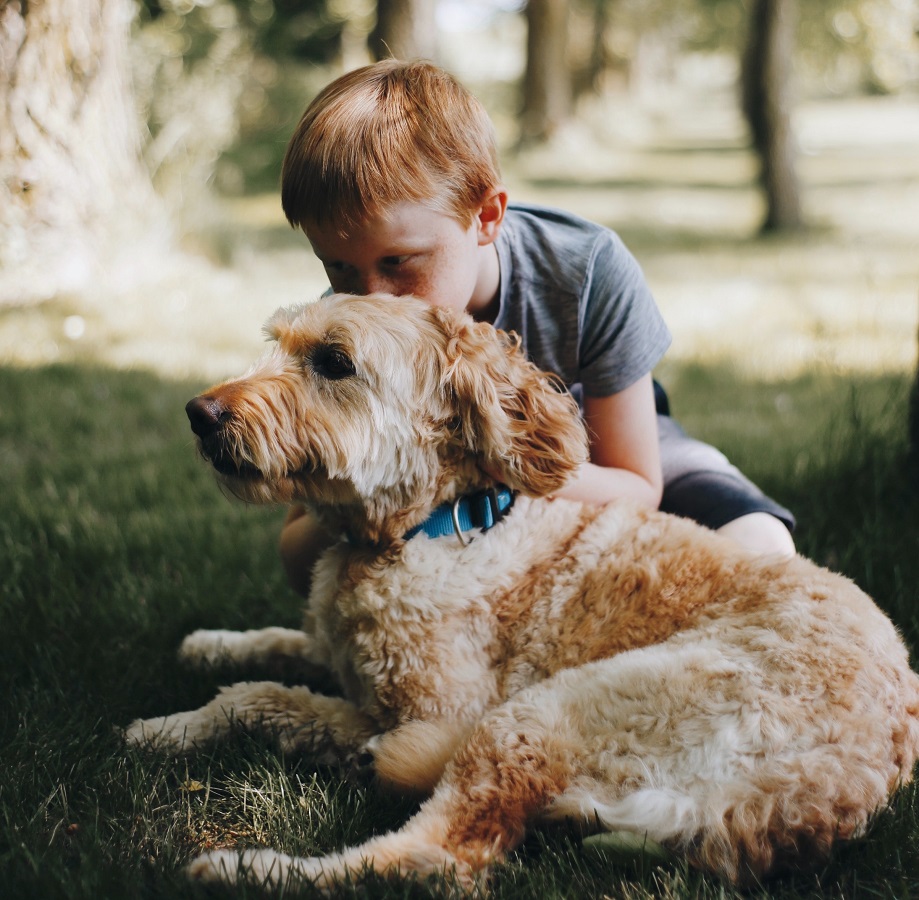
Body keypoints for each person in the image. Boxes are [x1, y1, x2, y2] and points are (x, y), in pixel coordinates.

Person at [277, 59, 795, 595]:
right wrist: (357, 491)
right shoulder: (342, 339)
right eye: (337, 267)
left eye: (399, 262)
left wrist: (497, 463)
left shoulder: (585, 271)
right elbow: (297, 558)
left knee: (763, 544)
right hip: (429, 494)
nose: (370, 299)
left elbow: (638, 485)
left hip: (599, 446)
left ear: (486, 217)